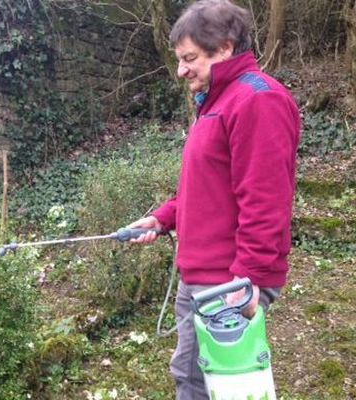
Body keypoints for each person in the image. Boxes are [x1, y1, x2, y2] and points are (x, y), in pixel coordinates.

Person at [128, 0, 301, 398]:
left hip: (226, 281)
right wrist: (163, 218)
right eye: (179, 59)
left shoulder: (257, 100)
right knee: (197, 378)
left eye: (190, 58)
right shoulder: (219, 101)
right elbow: (208, 187)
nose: (181, 69)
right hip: (203, 274)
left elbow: (265, 201)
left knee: (207, 384)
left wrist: (247, 281)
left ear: (224, 48)